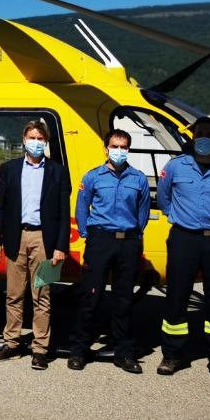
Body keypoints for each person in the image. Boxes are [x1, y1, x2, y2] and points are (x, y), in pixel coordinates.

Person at [156, 116, 210, 381]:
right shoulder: (175, 167)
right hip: (184, 239)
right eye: (200, 133)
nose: (204, 137)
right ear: (192, 137)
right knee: (176, 298)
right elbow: (164, 198)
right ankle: (172, 355)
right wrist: (179, 219)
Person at [0, 119, 71, 369]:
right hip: (17, 237)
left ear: (46, 142)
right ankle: (12, 343)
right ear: (24, 140)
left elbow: (63, 212)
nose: (36, 143)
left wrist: (60, 247)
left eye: (40, 139)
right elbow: (1, 206)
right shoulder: (10, 169)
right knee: (14, 295)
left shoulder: (58, 171)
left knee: (42, 295)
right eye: (32, 138)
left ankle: (40, 349)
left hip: (44, 240)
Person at [69, 130, 151, 374]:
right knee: (90, 296)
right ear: (106, 148)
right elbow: (82, 205)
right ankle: (78, 350)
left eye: (124, 146)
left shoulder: (138, 179)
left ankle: (123, 352)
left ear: (129, 149)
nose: (119, 150)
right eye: (115, 145)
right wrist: (87, 234)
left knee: (123, 299)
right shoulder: (93, 176)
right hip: (100, 241)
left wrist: (134, 237)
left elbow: (143, 213)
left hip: (128, 242)